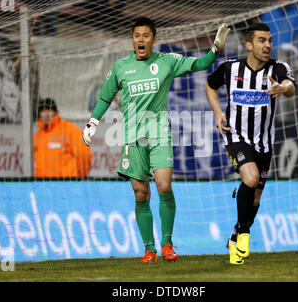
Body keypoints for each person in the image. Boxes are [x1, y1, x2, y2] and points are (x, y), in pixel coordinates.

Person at [83, 17, 230, 263]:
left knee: (163, 185)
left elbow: (200, 64)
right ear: (132, 39)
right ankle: (149, 248)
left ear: (154, 39)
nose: (140, 40)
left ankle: (167, 244)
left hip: (159, 132)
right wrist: (93, 123)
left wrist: (215, 49)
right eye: (136, 35)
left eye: (145, 36)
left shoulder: (167, 61)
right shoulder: (121, 67)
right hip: (132, 137)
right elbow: (105, 98)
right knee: (141, 194)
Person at [205, 23, 296, 265]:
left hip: (264, 143)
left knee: (255, 198)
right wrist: (217, 113)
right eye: (261, 41)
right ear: (249, 45)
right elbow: (210, 85)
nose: (267, 45)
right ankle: (244, 235)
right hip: (235, 136)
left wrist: (281, 87)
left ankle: (235, 235)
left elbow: (291, 86)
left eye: (270, 41)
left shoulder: (278, 68)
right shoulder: (229, 68)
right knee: (251, 177)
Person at [33, 98, 92, 178]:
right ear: (39, 114)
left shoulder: (70, 130)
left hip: (67, 183)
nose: (46, 114)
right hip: (43, 185)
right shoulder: (37, 136)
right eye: (43, 111)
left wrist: (81, 176)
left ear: (55, 112)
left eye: (49, 110)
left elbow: (83, 155)